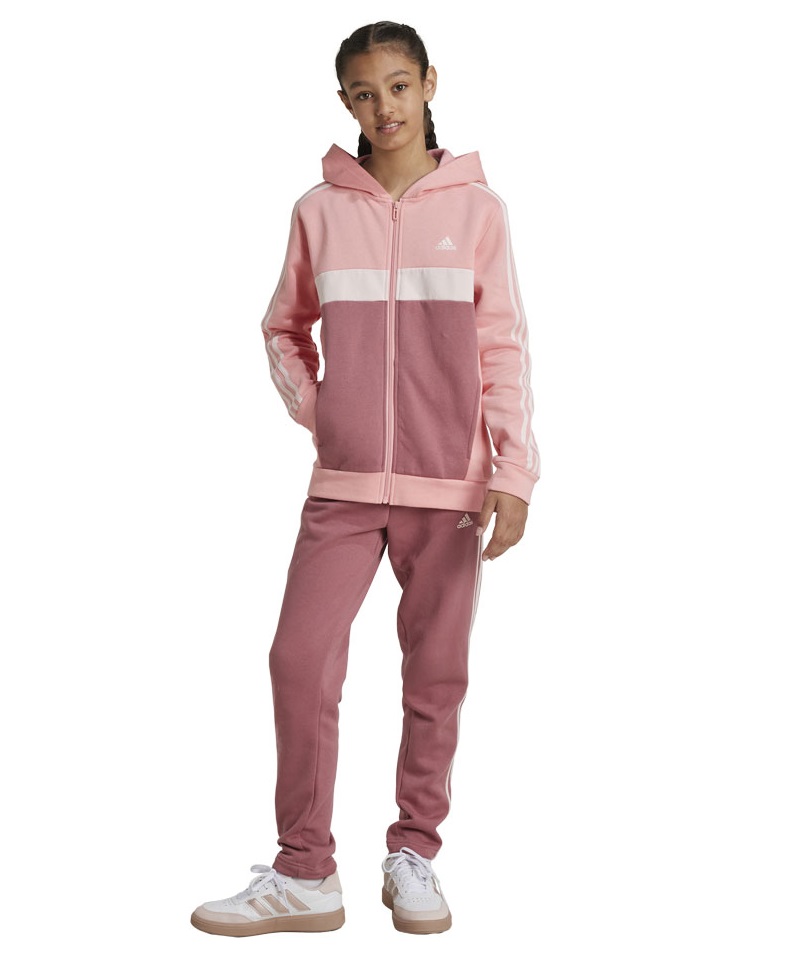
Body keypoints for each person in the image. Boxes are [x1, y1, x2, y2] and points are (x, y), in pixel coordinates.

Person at [190, 20, 541, 938]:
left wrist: (514, 468)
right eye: (363, 92)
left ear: (429, 84)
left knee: (436, 673)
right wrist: (326, 411)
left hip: (449, 486)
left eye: (397, 86)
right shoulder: (319, 209)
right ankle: (305, 869)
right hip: (343, 484)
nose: (383, 107)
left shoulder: (479, 211)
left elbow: (503, 347)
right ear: (344, 102)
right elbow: (283, 327)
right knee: (298, 658)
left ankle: (414, 849)